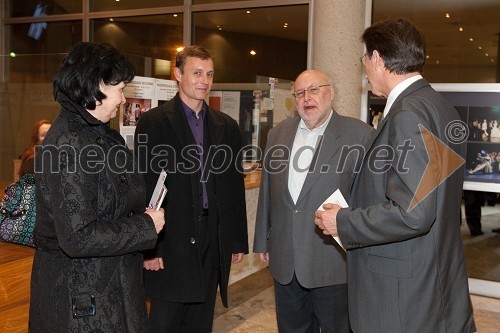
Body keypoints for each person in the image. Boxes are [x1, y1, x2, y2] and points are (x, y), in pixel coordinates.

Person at [314, 18, 475, 332]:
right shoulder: (440, 107)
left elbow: (414, 213)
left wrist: (343, 222)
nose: (365, 68)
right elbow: (429, 199)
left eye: (365, 60)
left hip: (400, 296)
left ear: (377, 58)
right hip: (430, 280)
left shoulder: (408, 114)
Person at [29, 42, 165, 333]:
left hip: (106, 290)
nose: (123, 99)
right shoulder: (69, 143)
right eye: (120, 88)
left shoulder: (94, 133)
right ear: (97, 84)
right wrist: (145, 226)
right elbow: (77, 237)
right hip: (82, 302)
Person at [134, 45, 248, 333]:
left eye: (209, 74)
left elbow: (233, 187)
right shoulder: (153, 122)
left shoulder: (227, 126)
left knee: (201, 320)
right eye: (196, 73)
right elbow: (145, 185)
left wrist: (235, 240)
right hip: (171, 237)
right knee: (164, 322)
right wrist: (150, 248)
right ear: (177, 74)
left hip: (212, 236)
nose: (204, 81)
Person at [253, 69, 373, 332]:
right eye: (300, 93)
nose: (307, 98)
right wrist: (264, 239)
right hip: (286, 260)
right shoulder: (277, 135)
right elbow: (268, 192)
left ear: (331, 93)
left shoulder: (360, 136)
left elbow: (367, 199)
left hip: (333, 262)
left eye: (314, 90)